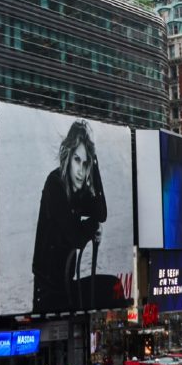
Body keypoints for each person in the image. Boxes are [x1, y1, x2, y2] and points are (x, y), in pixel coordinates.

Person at [31, 119, 107, 313]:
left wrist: (95, 165)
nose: (81, 170)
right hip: (47, 290)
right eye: (77, 160)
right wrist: (93, 227)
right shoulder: (55, 184)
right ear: (68, 156)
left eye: (86, 163)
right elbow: (76, 237)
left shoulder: (78, 191)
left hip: (65, 284)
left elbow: (101, 212)